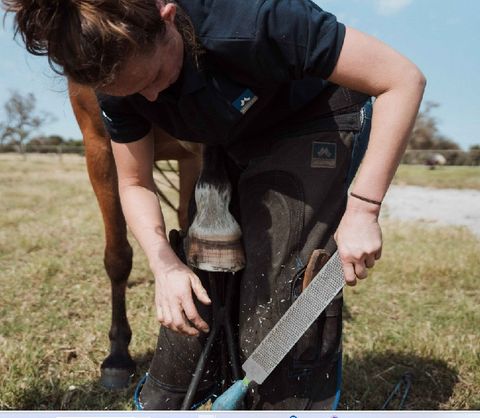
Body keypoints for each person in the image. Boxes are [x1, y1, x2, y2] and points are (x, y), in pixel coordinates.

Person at [4, 0, 425, 410]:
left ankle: (297, 396)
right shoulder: (115, 74)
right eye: (132, 93)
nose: (150, 99)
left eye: (151, 76)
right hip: (229, 130)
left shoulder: (254, 18)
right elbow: (134, 181)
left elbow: (402, 79)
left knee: (278, 311)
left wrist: (364, 209)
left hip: (313, 119)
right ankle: (202, 382)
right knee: (199, 282)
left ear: (167, 18)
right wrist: (163, 264)